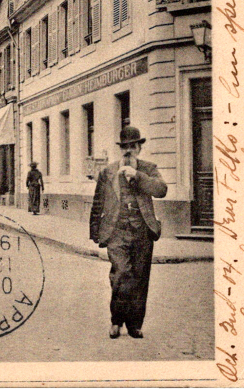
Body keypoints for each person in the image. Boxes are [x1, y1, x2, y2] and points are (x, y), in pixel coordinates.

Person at [89, 125, 167, 340]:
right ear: (120, 149)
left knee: (140, 278)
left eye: (132, 146)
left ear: (139, 148)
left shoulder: (149, 169)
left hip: (142, 231)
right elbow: (98, 202)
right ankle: (116, 320)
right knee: (121, 274)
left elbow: (161, 190)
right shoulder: (108, 172)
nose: (128, 151)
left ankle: (134, 324)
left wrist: (138, 176)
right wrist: (95, 230)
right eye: (124, 147)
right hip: (117, 231)